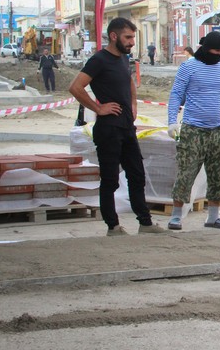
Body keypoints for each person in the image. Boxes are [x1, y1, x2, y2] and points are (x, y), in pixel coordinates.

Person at [68, 18, 165, 236]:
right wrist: (98, 108)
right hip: (108, 128)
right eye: (128, 37)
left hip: (126, 126)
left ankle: (145, 223)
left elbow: (129, 82)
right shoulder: (98, 60)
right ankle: (113, 226)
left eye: (133, 37)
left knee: (137, 174)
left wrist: (133, 104)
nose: (132, 42)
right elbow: (75, 87)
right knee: (110, 179)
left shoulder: (123, 59)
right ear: (114, 36)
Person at [166, 31, 220, 231]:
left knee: (219, 174)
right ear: (205, 49)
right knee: (186, 172)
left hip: (218, 130)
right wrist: (172, 121)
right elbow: (176, 94)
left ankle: (213, 216)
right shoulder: (189, 67)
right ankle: (176, 216)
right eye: (216, 50)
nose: (219, 54)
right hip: (193, 129)